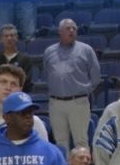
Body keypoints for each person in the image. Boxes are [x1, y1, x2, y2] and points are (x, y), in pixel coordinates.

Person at [43, 18, 100, 153]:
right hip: (56, 102)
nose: (72, 31)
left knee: (81, 140)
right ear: (60, 32)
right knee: (60, 142)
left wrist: (83, 90)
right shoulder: (49, 51)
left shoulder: (86, 50)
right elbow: (47, 72)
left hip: (78, 101)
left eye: (74, 28)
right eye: (68, 28)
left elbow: (96, 76)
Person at [0, 24, 32, 96]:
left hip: (19, 100)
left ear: (17, 37)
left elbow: (27, 82)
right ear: (1, 38)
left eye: (12, 35)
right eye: (6, 36)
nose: (9, 38)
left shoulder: (25, 59)